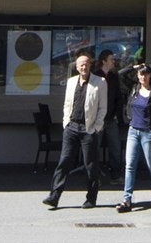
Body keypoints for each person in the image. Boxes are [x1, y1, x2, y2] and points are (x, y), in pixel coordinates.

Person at [43, 52, 107, 210]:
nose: (83, 66)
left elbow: (102, 108)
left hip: (88, 129)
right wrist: (66, 122)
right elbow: (67, 104)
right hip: (71, 127)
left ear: (90, 65)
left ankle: (91, 198)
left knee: (90, 165)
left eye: (86, 64)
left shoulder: (100, 82)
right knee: (64, 161)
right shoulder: (71, 82)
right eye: (81, 64)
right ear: (77, 67)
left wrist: (95, 128)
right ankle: (54, 196)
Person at [116, 63, 151, 212]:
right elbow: (121, 74)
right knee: (129, 165)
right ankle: (127, 199)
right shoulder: (134, 89)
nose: (143, 77)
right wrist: (135, 66)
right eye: (141, 74)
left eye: (146, 74)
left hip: (149, 133)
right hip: (133, 130)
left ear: (150, 76)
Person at [97, 48, 125, 175]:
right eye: (111, 59)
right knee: (94, 148)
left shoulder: (114, 77)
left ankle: (115, 174)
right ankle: (94, 176)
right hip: (97, 119)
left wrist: (117, 116)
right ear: (104, 61)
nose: (114, 61)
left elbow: (118, 98)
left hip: (110, 118)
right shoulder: (96, 76)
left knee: (115, 148)